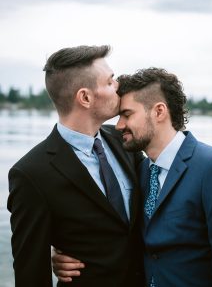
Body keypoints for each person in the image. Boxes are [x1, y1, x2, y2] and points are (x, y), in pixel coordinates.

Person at [54, 67, 212, 286]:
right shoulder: (140, 171)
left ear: (159, 111)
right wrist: (62, 253)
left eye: (127, 115)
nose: (118, 126)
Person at [7, 45, 145, 287]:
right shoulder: (31, 174)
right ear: (85, 97)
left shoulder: (125, 140)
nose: (118, 86)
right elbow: (31, 273)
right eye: (110, 81)